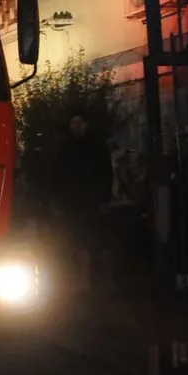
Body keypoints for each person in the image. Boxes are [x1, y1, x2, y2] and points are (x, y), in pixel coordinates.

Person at [54, 111, 115, 292]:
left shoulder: (95, 147)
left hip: (91, 201)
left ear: (86, 124)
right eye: (74, 123)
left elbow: (105, 173)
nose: (76, 127)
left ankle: (99, 281)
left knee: (97, 241)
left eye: (79, 123)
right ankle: (85, 281)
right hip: (75, 203)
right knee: (81, 241)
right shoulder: (67, 148)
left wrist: (104, 198)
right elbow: (59, 176)